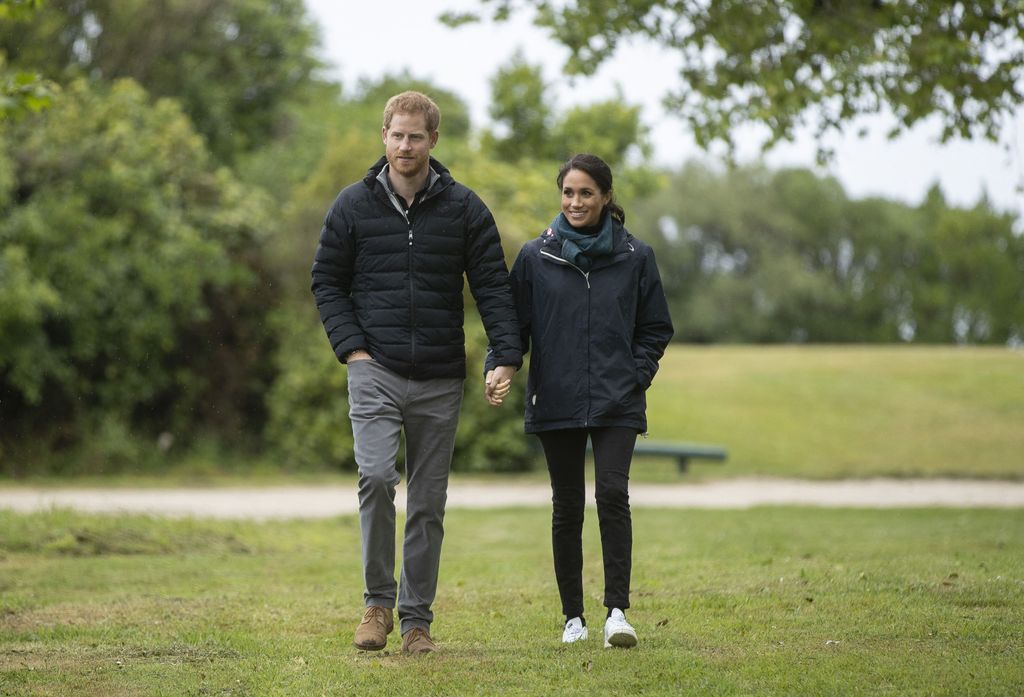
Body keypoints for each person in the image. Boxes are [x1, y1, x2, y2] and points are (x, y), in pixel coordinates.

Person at [311, 91, 521, 654]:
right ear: (383, 136)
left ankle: (416, 623)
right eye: (397, 135)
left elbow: (493, 287)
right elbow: (326, 280)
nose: (406, 145)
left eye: (417, 136)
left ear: (433, 140)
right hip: (373, 368)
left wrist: (505, 353)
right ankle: (377, 606)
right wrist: (352, 349)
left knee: (428, 500)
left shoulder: (464, 208)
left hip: (440, 375)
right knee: (377, 478)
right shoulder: (353, 205)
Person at [488, 153, 673, 648]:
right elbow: (513, 325)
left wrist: (636, 375)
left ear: (606, 197)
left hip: (618, 398)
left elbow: (656, 327)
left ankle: (617, 613)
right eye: (568, 192)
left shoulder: (636, 257)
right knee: (566, 506)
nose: (575, 202)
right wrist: (500, 364)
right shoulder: (535, 257)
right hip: (557, 396)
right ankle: (574, 617)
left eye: (586, 193)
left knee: (612, 496)